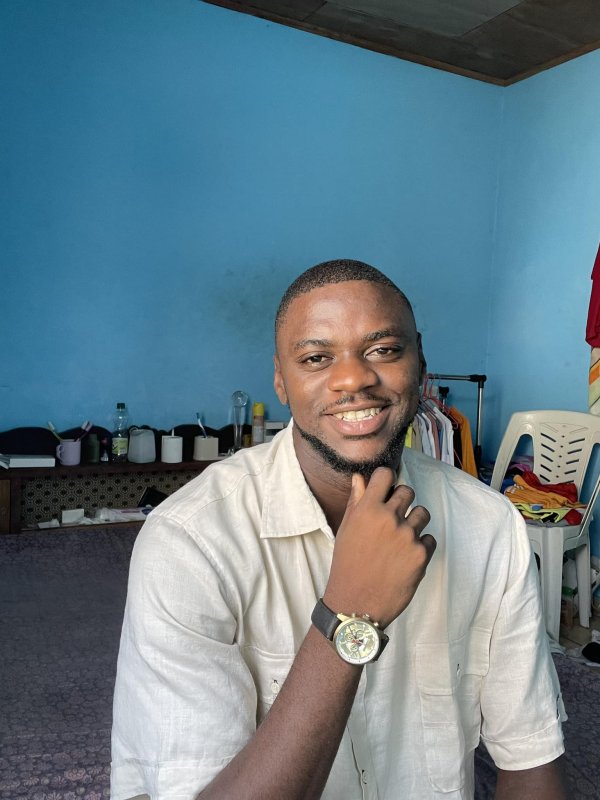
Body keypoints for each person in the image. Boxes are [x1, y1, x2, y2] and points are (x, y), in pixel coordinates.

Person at [111, 259, 567, 800]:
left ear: (420, 363)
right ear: (280, 380)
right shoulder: (189, 543)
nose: (354, 379)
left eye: (384, 350)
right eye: (316, 358)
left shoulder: (489, 524)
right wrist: (350, 615)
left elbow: (530, 758)